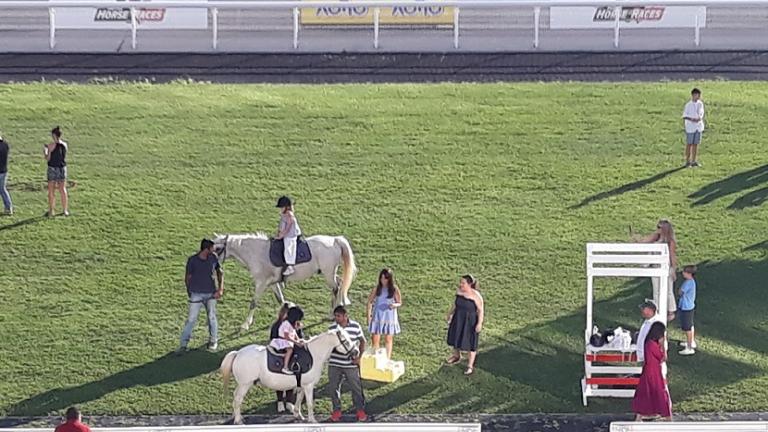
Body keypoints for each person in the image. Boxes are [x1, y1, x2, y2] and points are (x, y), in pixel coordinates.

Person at [177, 239, 224, 354]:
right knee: (191, 319)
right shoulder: (192, 260)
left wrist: (220, 289)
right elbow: (187, 277)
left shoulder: (213, 258)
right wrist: (190, 291)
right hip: (196, 294)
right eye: (212, 248)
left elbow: (220, 272)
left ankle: (213, 341)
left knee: (212, 317)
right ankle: (183, 344)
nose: (214, 250)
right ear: (206, 249)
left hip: (211, 293)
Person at [328, 305, 367, 422]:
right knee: (334, 387)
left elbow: (362, 341)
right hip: (335, 362)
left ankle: (360, 410)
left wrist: (359, 357)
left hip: (350, 363)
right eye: (335, 316)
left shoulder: (355, 326)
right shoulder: (332, 328)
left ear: (345, 316)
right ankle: (336, 410)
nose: (336, 318)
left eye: (338, 316)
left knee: (356, 388)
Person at [635, 219, 678, 321]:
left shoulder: (670, 241)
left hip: (665, 267)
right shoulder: (656, 237)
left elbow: (672, 256)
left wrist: (673, 269)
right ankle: (658, 309)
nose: (657, 229)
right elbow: (645, 241)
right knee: (656, 290)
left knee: (668, 290)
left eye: (659, 227)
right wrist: (637, 239)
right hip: (655, 266)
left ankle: (671, 310)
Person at [632, 322, 672, 421]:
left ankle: (640, 417)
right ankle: (668, 417)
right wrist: (663, 346)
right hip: (653, 373)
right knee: (660, 393)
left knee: (646, 393)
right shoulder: (652, 345)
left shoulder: (648, 343)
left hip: (649, 371)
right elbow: (663, 357)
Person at [445, 274, 485, 375]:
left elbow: (480, 310)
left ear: (469, 284)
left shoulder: (476, 296)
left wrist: (479, 323)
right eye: (460, 282)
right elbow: (455, 304)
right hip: (458, 318)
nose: (460, 285)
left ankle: (470, 366)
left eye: (463, 283)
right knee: (456, 337)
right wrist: (450, 314)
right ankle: (456, 356)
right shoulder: (459, 292)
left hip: (470, 321)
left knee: (471, 343)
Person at [270, 302, 303, 412]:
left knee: (292, 374)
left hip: (292, 351)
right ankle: (280, 401)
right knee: (279, 375)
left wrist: (299, 339)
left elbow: (298, 336)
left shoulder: (294, 325)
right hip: (281, 349)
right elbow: (281, 337)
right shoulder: (279, 325)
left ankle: (289, 400)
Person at [366, 268, 402, 359]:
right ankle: (375, 357)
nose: (383, 280)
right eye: (381, 278)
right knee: (375, 338)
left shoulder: (394, 289)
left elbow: (399, 302)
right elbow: (370, 301)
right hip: (378, 316)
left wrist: (394, 305)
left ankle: (387, 358)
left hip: (389, 317)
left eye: (385, 278)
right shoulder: (377, 288)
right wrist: (369, 316)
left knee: (388, 339)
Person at [270, 305, 305, 374]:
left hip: (288, 340)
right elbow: (287, 336)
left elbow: (294, 333)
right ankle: (285, 367)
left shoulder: (291, 325)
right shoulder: (286, 324)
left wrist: (299, 340)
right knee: (290, 349)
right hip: (283, 340)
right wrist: (296, 342)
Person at [44, 126, 70, 217]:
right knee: (62, 189)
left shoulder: (51, 146)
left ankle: (51, 211)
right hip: (62, 168)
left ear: (54, 135)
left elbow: (48, 158)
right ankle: (65, 210)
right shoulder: (64, 145)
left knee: (51, 190)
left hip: (52, 168)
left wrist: (45, 151)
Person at [275, 195, 302, 276]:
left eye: (282, 207)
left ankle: (290, 266)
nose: (281, 209)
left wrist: (283, 234)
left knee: (288, 247)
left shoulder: (289, 214)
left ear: (286, 207)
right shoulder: (284, 215)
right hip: (287, 234)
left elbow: (289, 224)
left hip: (291, 235)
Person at [682, 88, 705, 168]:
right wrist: (692, 119)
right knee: (689, 144)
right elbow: (685, 116)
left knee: (696, 144)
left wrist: (699, 118)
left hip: (698, 127)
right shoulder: (688, 105)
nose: (697, 97)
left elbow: (701, 113)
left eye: (698, 95)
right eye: (696, 95)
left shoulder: (700, 104)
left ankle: (694, 160)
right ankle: (687, 161)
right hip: (690, 127)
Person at [678, 265, 698, 356]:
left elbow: (680, 292)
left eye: (684, 272)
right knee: (690, 325)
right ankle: (691, 341)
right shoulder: (692, 282)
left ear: (689, 273)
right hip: (690, 306)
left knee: (687, 328)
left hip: (686, 307)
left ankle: (689, 348)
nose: (683, 273)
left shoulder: (687, 283)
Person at [0, 133, 12, 215]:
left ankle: (8, 207)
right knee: (3, 189)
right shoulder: (5, 145)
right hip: (4, 171)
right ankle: (8, 207)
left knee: (2, 189)